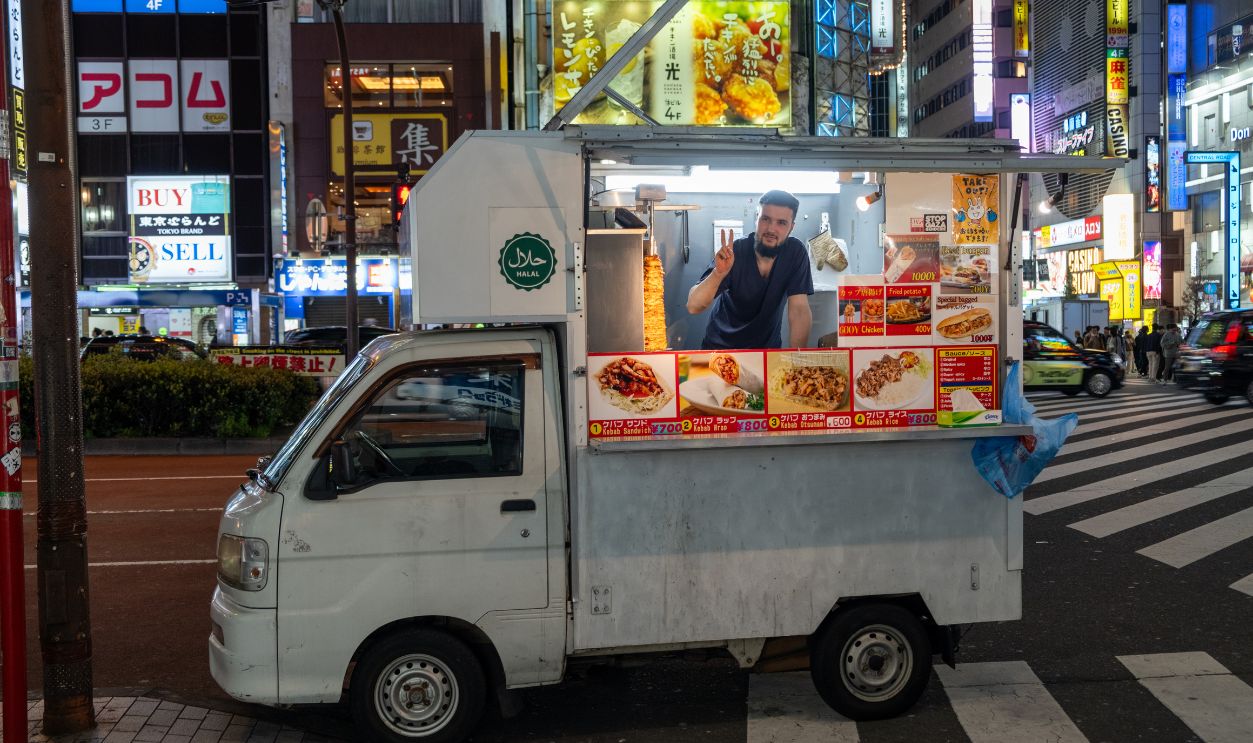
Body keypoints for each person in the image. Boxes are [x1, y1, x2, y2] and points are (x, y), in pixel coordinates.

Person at [687, 190, 813, 349]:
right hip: (720, 351)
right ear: (756, 218)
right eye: (766, 219)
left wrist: (798, 362)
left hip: (767, 352)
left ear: (791, 227)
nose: (771, 229)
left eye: (781, 223)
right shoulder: (735, 252)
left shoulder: (795, 253)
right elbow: (694, 306)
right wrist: (718, 274)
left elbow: (799, 310)